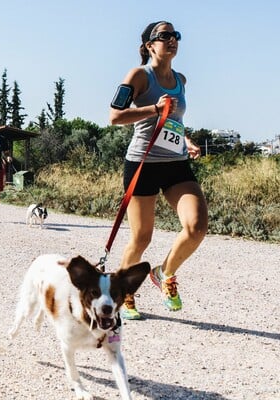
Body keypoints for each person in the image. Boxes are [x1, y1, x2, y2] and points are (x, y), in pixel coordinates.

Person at [109, 21, 208, 319]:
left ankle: (164, 273)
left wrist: (186, 140)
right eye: (164, 36)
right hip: (143, 164)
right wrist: (153, 108)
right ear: (149, 45)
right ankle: (124, 291)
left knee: (196, 227)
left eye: (175, 35)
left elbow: (175, 120)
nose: (172, 40)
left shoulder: (181, 79)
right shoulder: (139, 75)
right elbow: (114, 116)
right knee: (141, 238)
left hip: (176, 164)